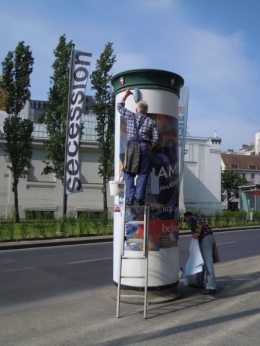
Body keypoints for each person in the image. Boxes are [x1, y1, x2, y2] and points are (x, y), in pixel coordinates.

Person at [117, 88, 159, 206]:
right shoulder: (151, 122)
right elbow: (156, 138)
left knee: (128, 173)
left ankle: (130, 198)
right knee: (143, 173)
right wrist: (150, 147)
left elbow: (119, 107)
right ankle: (140, 198)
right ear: (146, 111)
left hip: (131, 147)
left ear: (137, 110)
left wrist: (126, 94)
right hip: (145, 146)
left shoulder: (131, 116)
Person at [183, 211, 217, 295]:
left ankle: (211, 287)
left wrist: (197, 233)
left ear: (187, 217)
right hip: (203, 240)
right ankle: (198, 283)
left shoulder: (193, 217)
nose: (186, 221)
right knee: (200, 262)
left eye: (185, 219)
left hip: (206, 238)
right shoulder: (192, 224)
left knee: (208, 263)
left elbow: (200, 222)